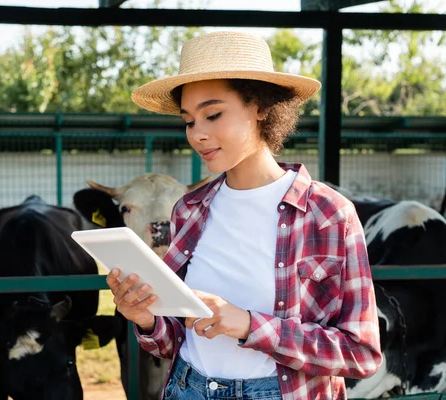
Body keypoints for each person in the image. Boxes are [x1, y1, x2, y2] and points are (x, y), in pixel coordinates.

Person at [106, 31, 382, 400]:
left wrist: (251, 325)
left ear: (261, 107)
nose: (198, 134)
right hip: (188, 389)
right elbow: (173, 338)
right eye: (189, 121)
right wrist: (146, 319)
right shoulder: (189, 210)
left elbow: (360, 353)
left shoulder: (329, 214)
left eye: (213, 114)